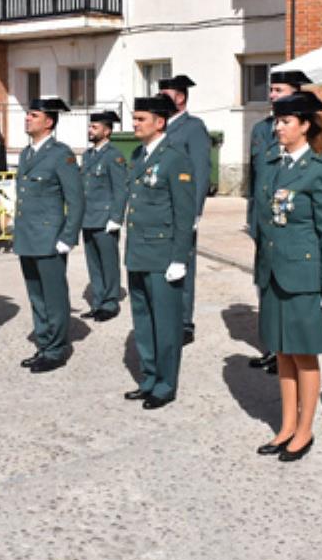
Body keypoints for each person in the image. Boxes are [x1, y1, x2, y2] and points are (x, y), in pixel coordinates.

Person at [252, 92, 322, 456]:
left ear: (305, 126)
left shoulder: (320, 171)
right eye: (277, 121)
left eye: (286, 122)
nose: (278, 127)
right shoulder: (274, 165)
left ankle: (305, 430)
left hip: (305, 276)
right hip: (275, 272)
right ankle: (287, 424)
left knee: (304, 354)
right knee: (283, 352)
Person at [121, 95, 196, 409]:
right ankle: (148, 377)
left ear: (159, 122)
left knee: (166, 324)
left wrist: (180, 258)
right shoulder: (139, 154)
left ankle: (165, 384)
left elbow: (184, 214)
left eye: (141, 119)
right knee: (143, 320)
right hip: (138, 250)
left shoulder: (175, 158)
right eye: (134, 118)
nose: (135, 124)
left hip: (163, 254)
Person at [13, 97, 84, 373]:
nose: (27, 118)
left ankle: (56, 349)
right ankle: (44, 343)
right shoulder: (26, 154)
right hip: (27, 236)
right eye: (27, 114)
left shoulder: (60, 154)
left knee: (53, 297)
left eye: (33, 115)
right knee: (36, 295)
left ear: (49, 121)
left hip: (49, 238)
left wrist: (68, 236)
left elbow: (76, 200)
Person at [247, 68, 309, 372]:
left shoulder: (309, 127)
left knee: (289, 285)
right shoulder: (261, 129)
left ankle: (292, 349)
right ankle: (272, 346)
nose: (272, 95)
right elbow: (254, 176)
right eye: (271, 90)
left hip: (292, 220)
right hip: (264, 220)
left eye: (279, 90)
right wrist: (252, 218)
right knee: (266, 283)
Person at [157, 74, 210, 345]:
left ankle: (184, 323)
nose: (161, 97)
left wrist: (196, 211)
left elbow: (201, 171)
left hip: (183, 208)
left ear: (180, 97)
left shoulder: (193, 127)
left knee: (183, 264)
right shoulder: (160, 127)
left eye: (166, 93)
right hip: (161, 210)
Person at [79, 110, 128, 322]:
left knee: (108, 263)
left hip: (105, 219)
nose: (90, 130)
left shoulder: (113, 156)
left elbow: (121, 189)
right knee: (93, 263)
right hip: (88, 218)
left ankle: (110, 302)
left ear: (107, 131)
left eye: (95, 127)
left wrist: (116, 218)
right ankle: (97, 301)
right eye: (90, 127)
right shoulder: (87, 155)